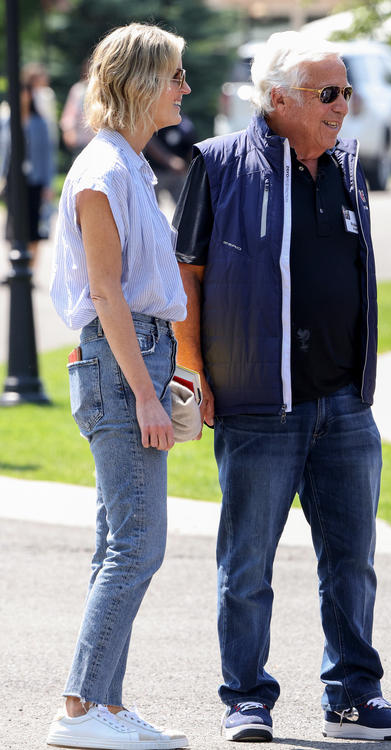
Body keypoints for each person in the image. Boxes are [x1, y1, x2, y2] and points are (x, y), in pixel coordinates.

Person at [171, 30, 391, 744]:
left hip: (343, 404)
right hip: (258, 405)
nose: (345, 106)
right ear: (278, 98)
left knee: (351, 565)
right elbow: (187, 279)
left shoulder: (347, 168)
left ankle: (352, 697)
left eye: (347, 91)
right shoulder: (218, 166)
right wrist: (193, 369)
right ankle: (246, 697)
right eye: (329, 93)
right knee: (246, 565)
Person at [45, 23, 192, 750]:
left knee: (120, 541)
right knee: (136, 544)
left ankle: (103, 704)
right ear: (140, 83)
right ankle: (82, 709)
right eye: (175, 76)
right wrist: (143, 391)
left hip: (137, 352)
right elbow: (107, 293)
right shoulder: (102, 171)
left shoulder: (129, 162)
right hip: (120, 358)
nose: (185, 88)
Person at [1, 68, 56, 267]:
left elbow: (48, 154)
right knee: (13, 226)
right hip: (13, 179)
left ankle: (30, 268)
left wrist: (49, 183)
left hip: (35, 179)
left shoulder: (40, 122)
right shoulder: (7, 121)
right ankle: (15, 266)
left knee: (34, 225)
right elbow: (3, 151)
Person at [144, 115, 196, 207]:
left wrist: (192, 167)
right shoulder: (155, 120)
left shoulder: (184, 122)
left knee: (186, 206)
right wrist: (168, 160)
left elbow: (191, 146)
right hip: (155, 172)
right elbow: (148, 141)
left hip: (178, 173)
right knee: (149, 208)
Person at [61, 60, 95, 158]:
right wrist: (68, 130)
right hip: (81, 139)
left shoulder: (103, 89)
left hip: (98, 137)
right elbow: (70, 114)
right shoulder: (78, 89)